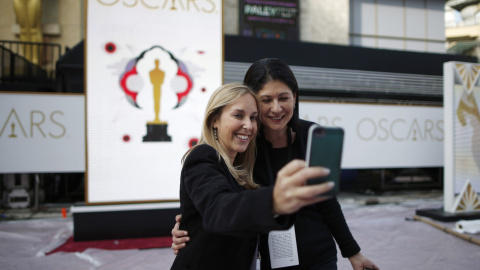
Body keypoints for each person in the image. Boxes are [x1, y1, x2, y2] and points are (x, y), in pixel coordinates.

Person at [171, 59, 379, 270]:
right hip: (272, 259)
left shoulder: (309, 136)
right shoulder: (245, 147)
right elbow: (220, 203)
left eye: (283, 98)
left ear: (295, 97)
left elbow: (327, 201)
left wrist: (353, 252)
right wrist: (188, 223)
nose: (276, 108)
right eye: (266, 100)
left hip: (319, 256)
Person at [170, 82, 335, 270]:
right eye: (238, 115)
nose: (248, 125)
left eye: (254, 118)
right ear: (214, 119)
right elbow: (219, 208)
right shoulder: (203, 156)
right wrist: (273, 201)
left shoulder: (241, 169)